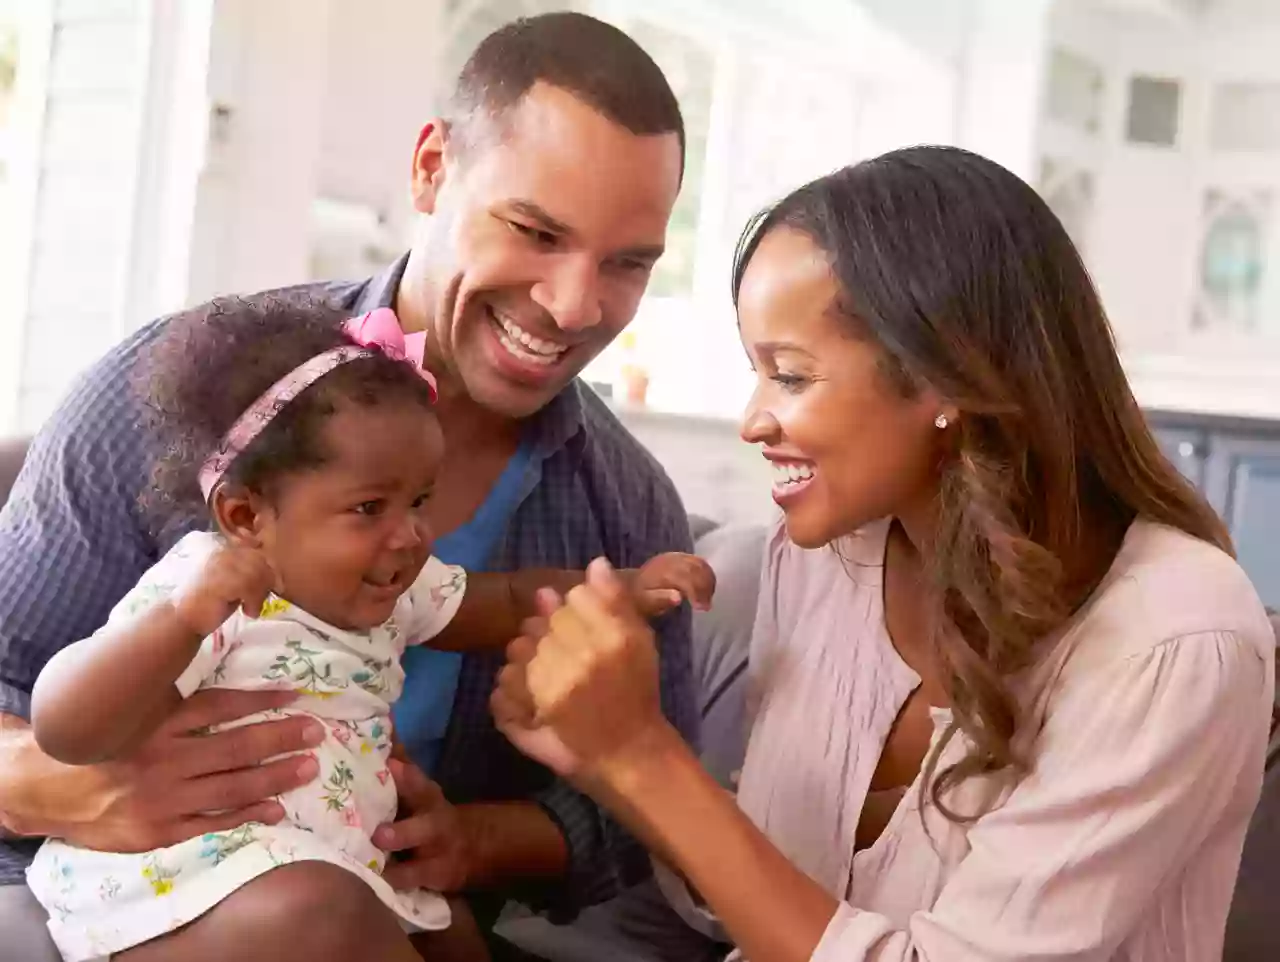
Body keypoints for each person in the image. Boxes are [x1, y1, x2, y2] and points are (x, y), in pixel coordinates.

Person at [0, 11, 696, 958]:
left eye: (627, 264)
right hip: (111, 901)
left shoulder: (625, 505)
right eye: (534, 231)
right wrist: (60, 783)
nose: (575, 306)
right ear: (429, 169)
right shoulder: (178, 402)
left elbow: (646, 818)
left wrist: (470, 842)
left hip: (382, 897)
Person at [492, 146, 1277, 961]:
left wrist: (645, 757)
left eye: (791, 376)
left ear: (946, 377)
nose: (754, 421)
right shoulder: (826, 556)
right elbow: (758, 911)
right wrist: (604, 754)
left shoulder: (1173, 643)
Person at [23, 300, 712, 962]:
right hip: (191, 887)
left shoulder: (397, 586)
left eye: (418, 501)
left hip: (345, 862)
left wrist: (620, 586)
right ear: (245, 518)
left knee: (458, 935)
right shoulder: (208, 587)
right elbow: (66, 727)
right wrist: (177, 625)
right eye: (369, 507)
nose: (410, 533)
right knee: (324, 908)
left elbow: (502, 599)